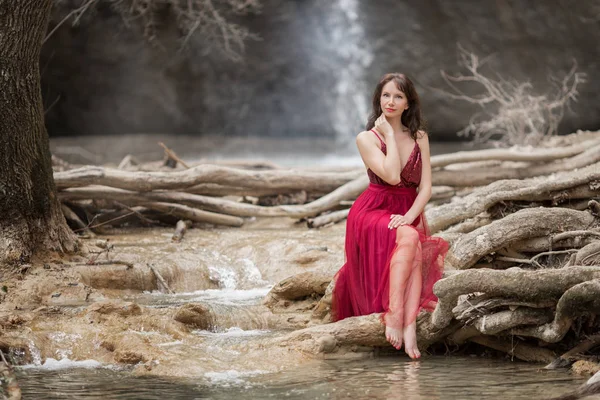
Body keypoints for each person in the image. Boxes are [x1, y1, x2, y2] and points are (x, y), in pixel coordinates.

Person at [331, 73, 448, 359]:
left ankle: (409, 329)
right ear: (378, 99)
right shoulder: (366, 138)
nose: (391, 101)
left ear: (408, 103)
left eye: (398, 96)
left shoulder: (420, 136)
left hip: (406, 209)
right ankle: (395, 315)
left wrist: (409, 216)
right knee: (410, 237)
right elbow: (393, 176)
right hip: (372, 210)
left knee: (415, 247)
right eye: (386, 95)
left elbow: (426, 187)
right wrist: (388, 136)